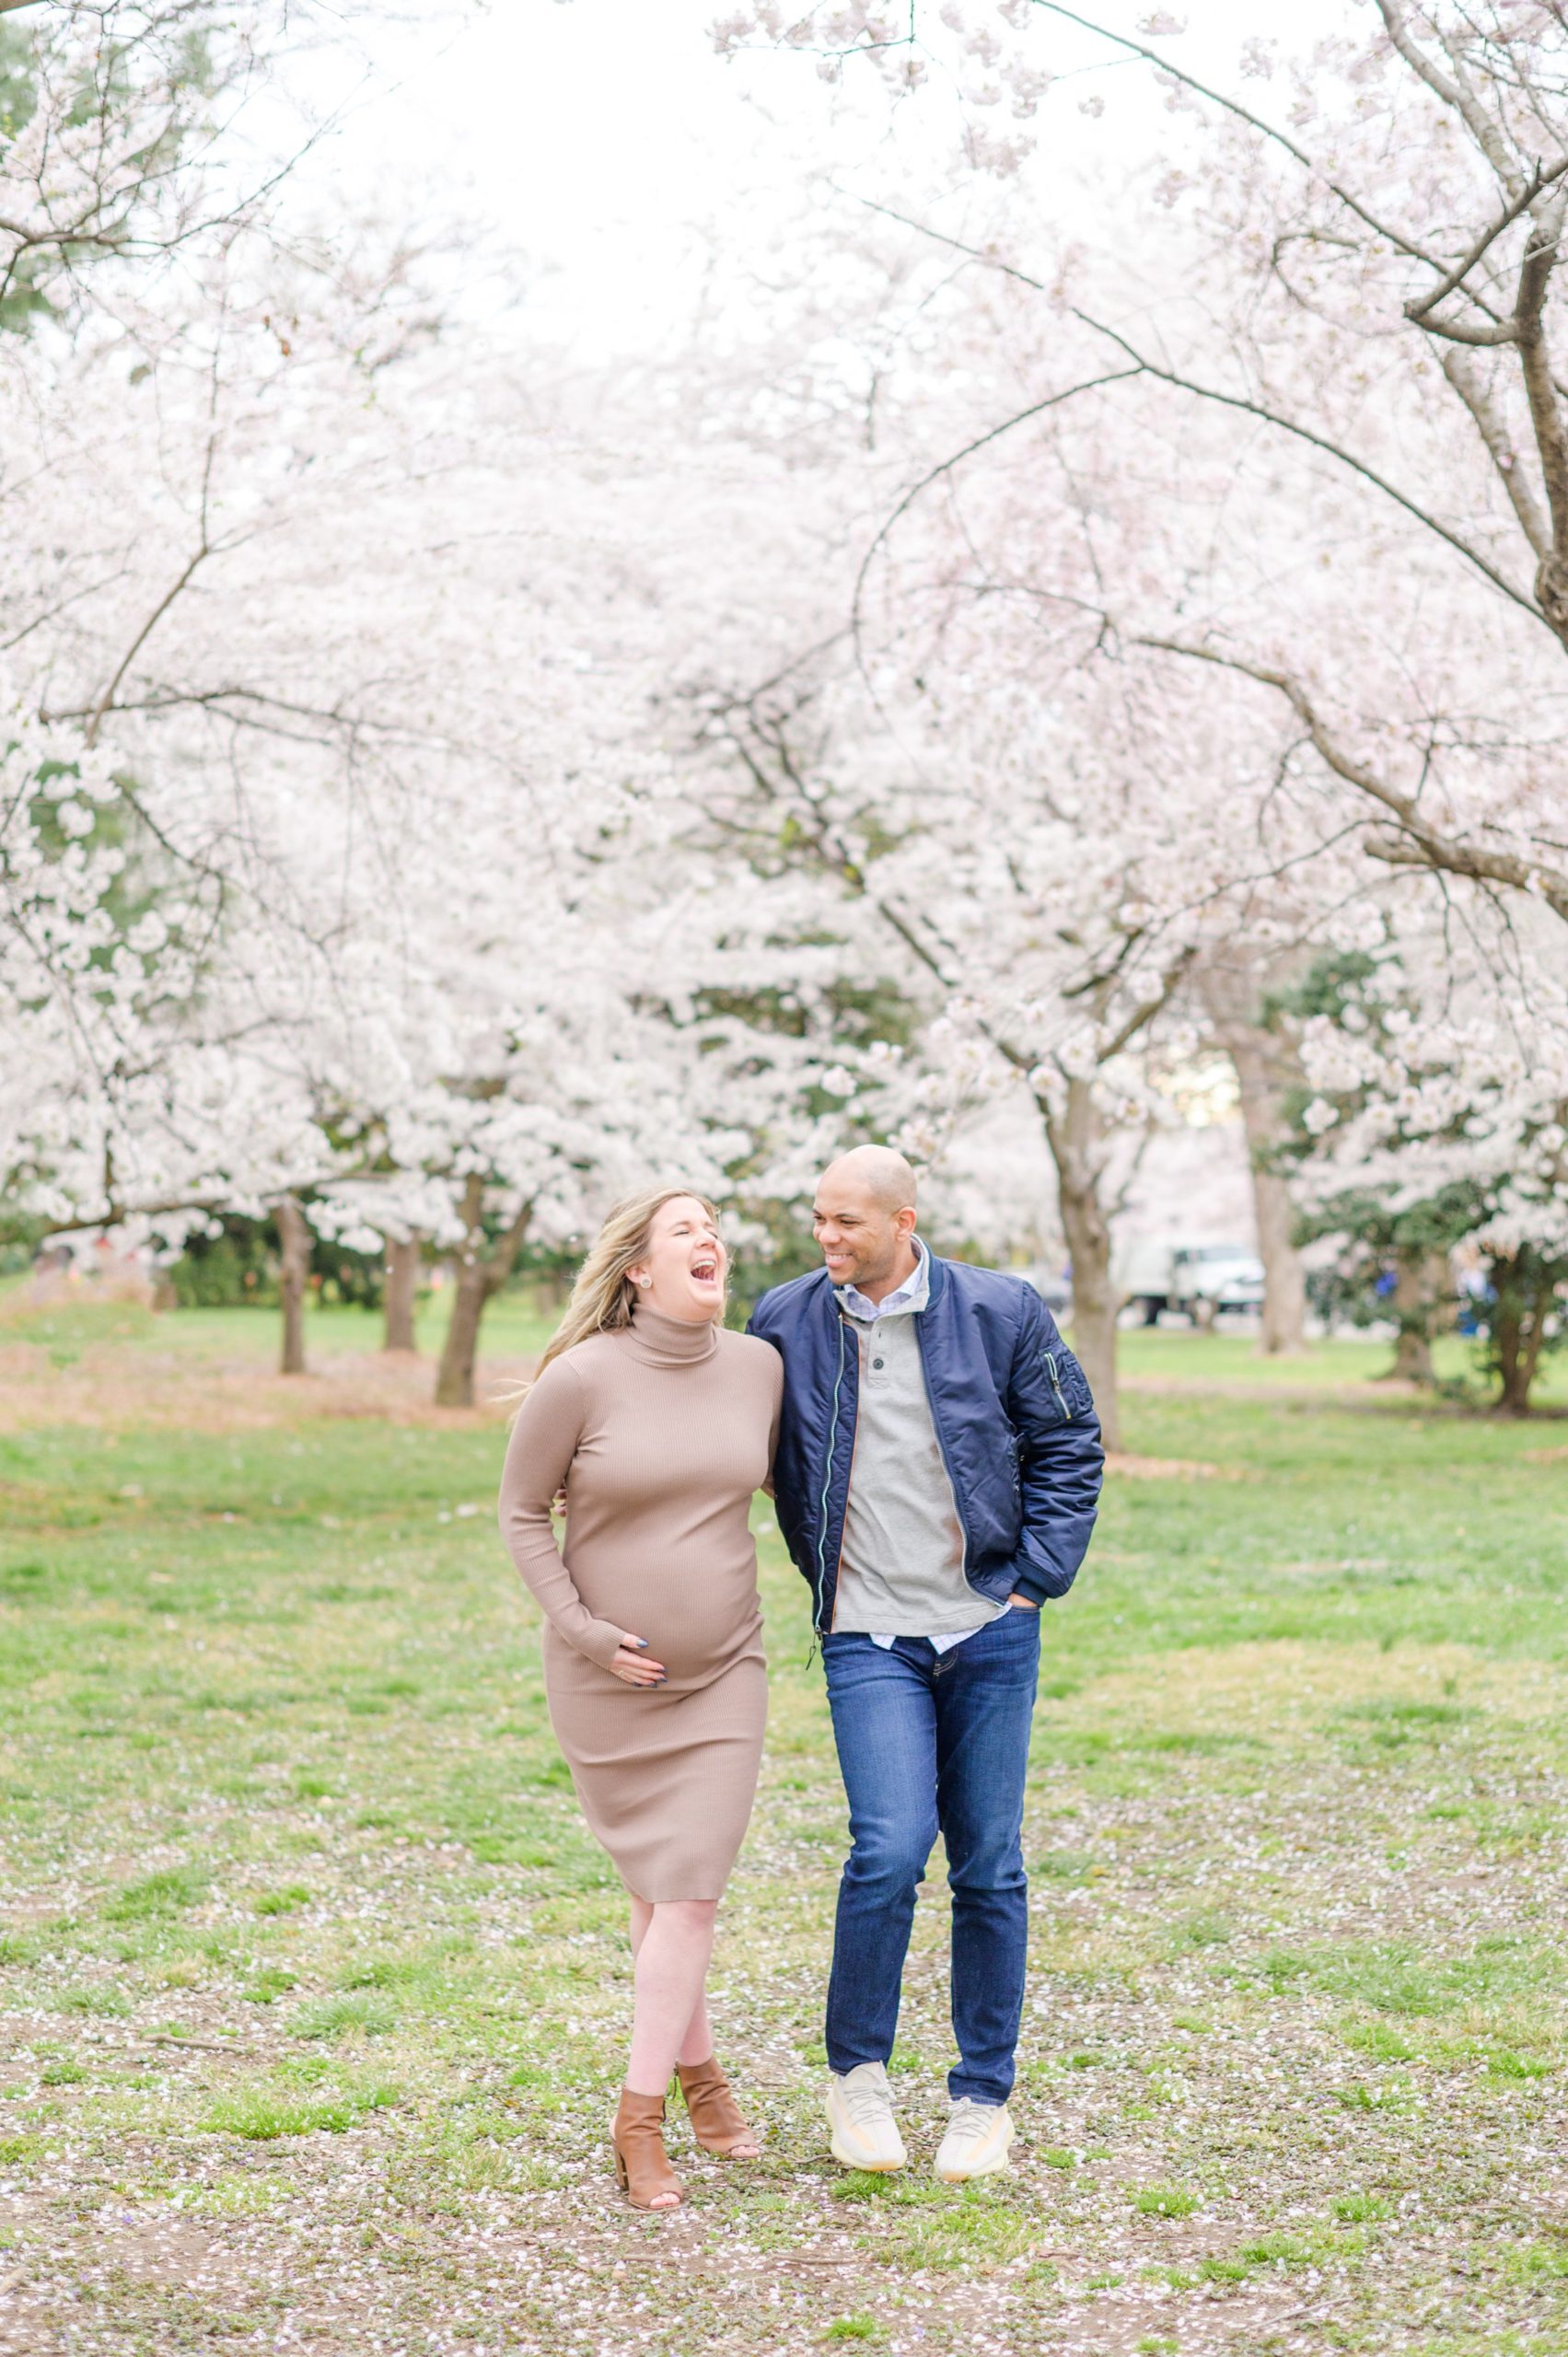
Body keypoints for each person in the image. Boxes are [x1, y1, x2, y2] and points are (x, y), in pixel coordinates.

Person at [749, 1147, 1103, 2183]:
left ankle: (980, 2095)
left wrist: (1033, 1579)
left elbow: (1067, 1440)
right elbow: (731, 1431)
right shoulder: (786, 1317)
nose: (826, 1239)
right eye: (817, 1219)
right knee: (889, 1847)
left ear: (904, 1220)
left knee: (987, 1861)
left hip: (988, 1626)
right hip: (865, 1631)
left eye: (847, 1222)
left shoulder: (1000, 1309)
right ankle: (855, 2078)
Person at [497, 1188, 783, 2211]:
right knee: (663, 1897)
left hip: (724, 1673)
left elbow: (804, 1491)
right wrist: (582, 1630)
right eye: (682, 1229)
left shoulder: (759, 1367)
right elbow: (522, 1512)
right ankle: (703, 2082)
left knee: (691, 1890)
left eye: (712, 1225)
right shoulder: (578, 1380)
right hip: (604, 1683)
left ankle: (638, 2115)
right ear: (638, 1268)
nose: (708, 1239)